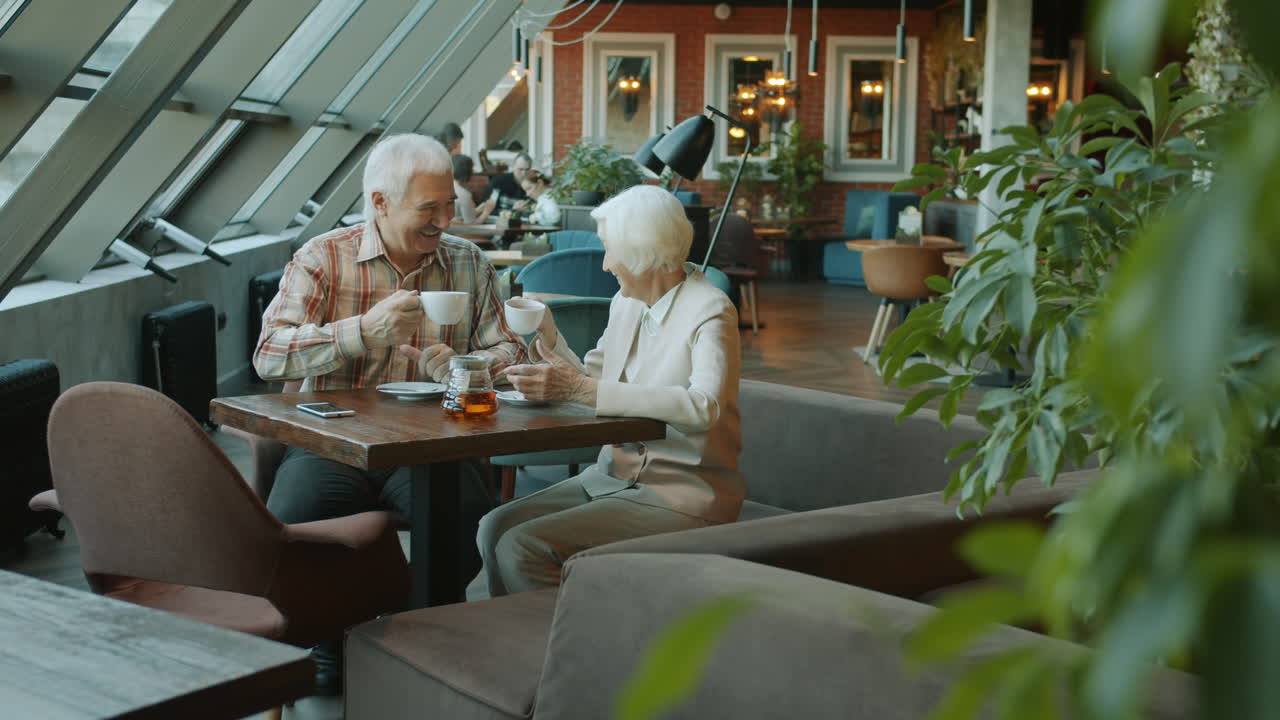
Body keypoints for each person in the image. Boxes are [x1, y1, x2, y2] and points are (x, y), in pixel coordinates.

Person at [253, 132, 526, 693]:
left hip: (434, 440)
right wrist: (361, 333)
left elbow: (512, 350)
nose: (445, 219)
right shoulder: (323, 257)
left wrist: (464, 365)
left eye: (450, 203)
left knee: (465, 515)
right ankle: (333, 641)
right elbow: (268, 356)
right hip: (336, 439)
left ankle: (408, 635)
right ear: (379, 202)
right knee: (298, 523)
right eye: (430, 207)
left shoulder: (467, 262)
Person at [472, 184, 744, 598]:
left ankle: (556, 650)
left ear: (643, 253)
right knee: (493, 527)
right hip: (609, 476)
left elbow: (704, 406)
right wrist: (550, 334)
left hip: (682, 493)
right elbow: (592, 379)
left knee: (523, 546)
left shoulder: (710, 310)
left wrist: (580, 388)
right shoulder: (626, 302)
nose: (605, 265)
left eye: (610, 250)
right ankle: (515, 638)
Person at [452, 154, 496, 223]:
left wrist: (478, 210)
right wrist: (486, 212)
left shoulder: (451, 187)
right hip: (458, 233)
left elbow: (459, 215)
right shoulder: (464, 195)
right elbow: (471, 227)